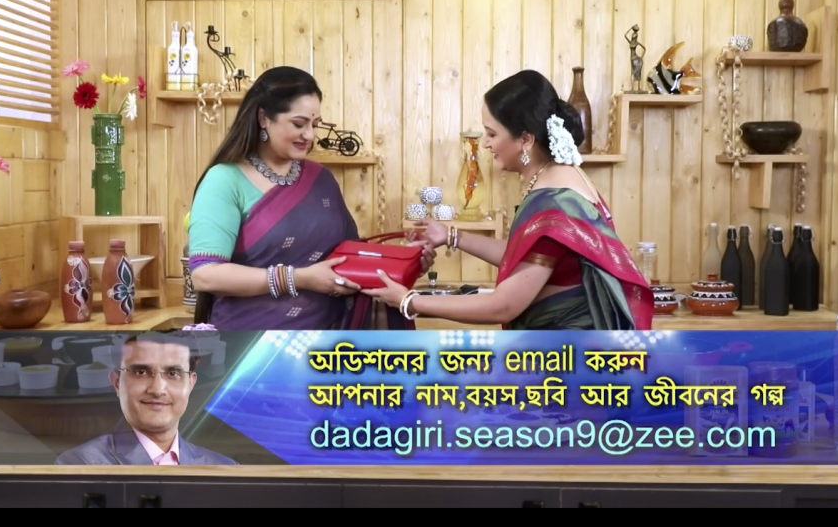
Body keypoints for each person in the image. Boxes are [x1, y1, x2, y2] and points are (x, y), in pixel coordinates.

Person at [364, 70, 654, 330]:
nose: (487, 143)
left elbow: (503, 305)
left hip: (563, 361)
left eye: (492, 133)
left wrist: (408, 301)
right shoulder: (563, 177)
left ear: (525, 139)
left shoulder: (553, 202)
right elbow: (526, 258)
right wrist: (451, 235)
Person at [187, 66, 436, 330]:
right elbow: (206, 275)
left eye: (314, 125)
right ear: (263, 118)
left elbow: (348, 258)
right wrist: (298, 279)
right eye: (298, 124)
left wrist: (403, 263)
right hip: (252, 347)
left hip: (331, 346)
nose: (309, 135)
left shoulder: (320, 178)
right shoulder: (224, 180)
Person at [55, 333, 236, 465]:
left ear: (190, 384)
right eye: (141, 372)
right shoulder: (79, 465)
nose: (157, 389)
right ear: (117, 383)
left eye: (173, 373)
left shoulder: (226, 468)